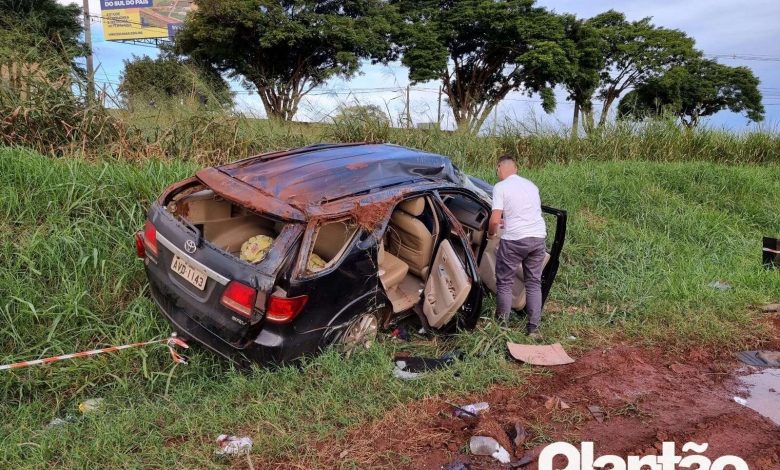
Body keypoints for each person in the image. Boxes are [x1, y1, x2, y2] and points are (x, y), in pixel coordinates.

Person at [488, 155, 547, 338]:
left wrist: (491, 233)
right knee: (533, 283)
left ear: (499, 168)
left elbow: (495, 219)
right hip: (538, 238)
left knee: (505, 282)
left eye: (497, 169)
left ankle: (502, 328)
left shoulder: (501, 187)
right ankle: (533, 329)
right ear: (516, 168)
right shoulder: (531, 185)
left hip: (514, 240)